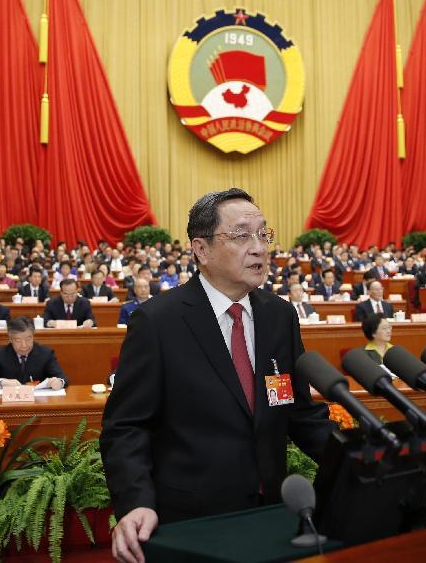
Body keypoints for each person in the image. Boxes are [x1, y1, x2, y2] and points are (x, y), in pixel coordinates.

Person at [101, 188, 333, 562]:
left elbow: (298, 411)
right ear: (202, 250)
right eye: (242, 235)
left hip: (269, 514)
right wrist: (135, 502)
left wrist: (360, 459)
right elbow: (126, 427)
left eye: (263, 234)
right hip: (191, 524)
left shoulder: (279, 316)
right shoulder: (158, 321)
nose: (259, 248)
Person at [0, 316, 68, 389]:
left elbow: (62, 377)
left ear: (33, 336)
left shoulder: (46, 353)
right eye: (18, 340)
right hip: (10, 404)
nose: (24, 345)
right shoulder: (0, 354)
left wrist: (59, 382)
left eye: (28, 339)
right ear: (10, 339)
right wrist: (2, 382)